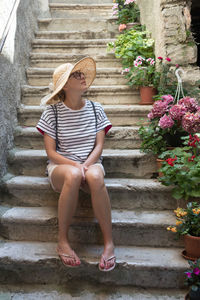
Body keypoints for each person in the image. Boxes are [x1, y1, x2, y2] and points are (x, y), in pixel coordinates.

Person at [36, 56, 116, 271]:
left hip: (91, 162)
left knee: (95, 176)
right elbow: (51, 153)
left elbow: (99, 146)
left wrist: (86, 165)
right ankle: (62, 241)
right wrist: (75, 166)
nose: (82, 77)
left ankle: (109, 244)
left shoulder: (96, 109)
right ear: (64, 85)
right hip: (61, 167)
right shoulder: (51, 112)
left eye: (81, 73)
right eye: (75, 74)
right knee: (72, 175)